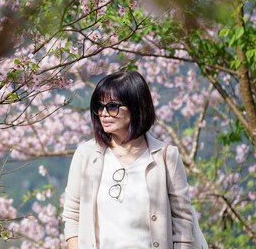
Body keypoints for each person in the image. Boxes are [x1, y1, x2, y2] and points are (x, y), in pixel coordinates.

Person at [62, 71, 195, 249]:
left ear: (136, 107)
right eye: (99, 106)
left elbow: (183, 221)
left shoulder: (165, 157)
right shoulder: (86, 155)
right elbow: (72, 216)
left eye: (112, 106)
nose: (103, 113)